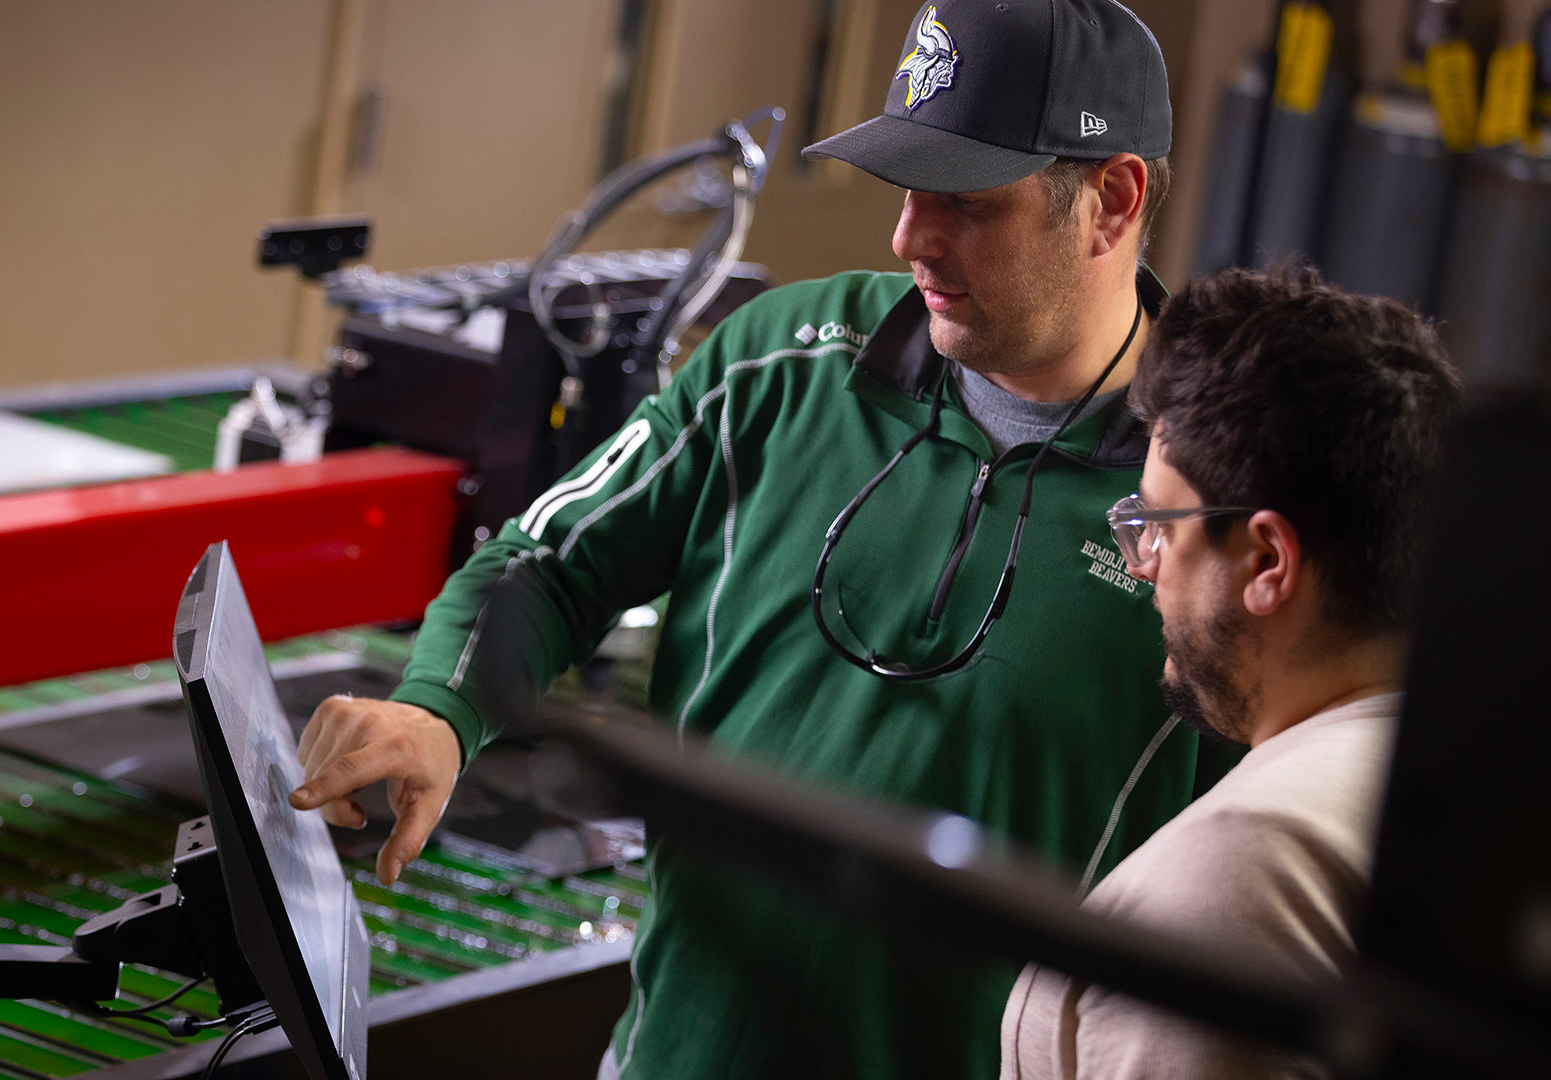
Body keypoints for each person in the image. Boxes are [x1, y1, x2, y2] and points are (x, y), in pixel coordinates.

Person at [292, 2, 1231, 1076]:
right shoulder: (782, 362)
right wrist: (436, 712)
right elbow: (549, 562)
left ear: (1111, 199)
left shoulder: (1214, 514)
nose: (909, 238)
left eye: (967, 201)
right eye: (906, 188)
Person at [999, 266, 1464, 1078]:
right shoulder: (1464, 779)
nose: (1142, 566)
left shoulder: (1228, 885)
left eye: (1156, 523)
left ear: (1267, 560)